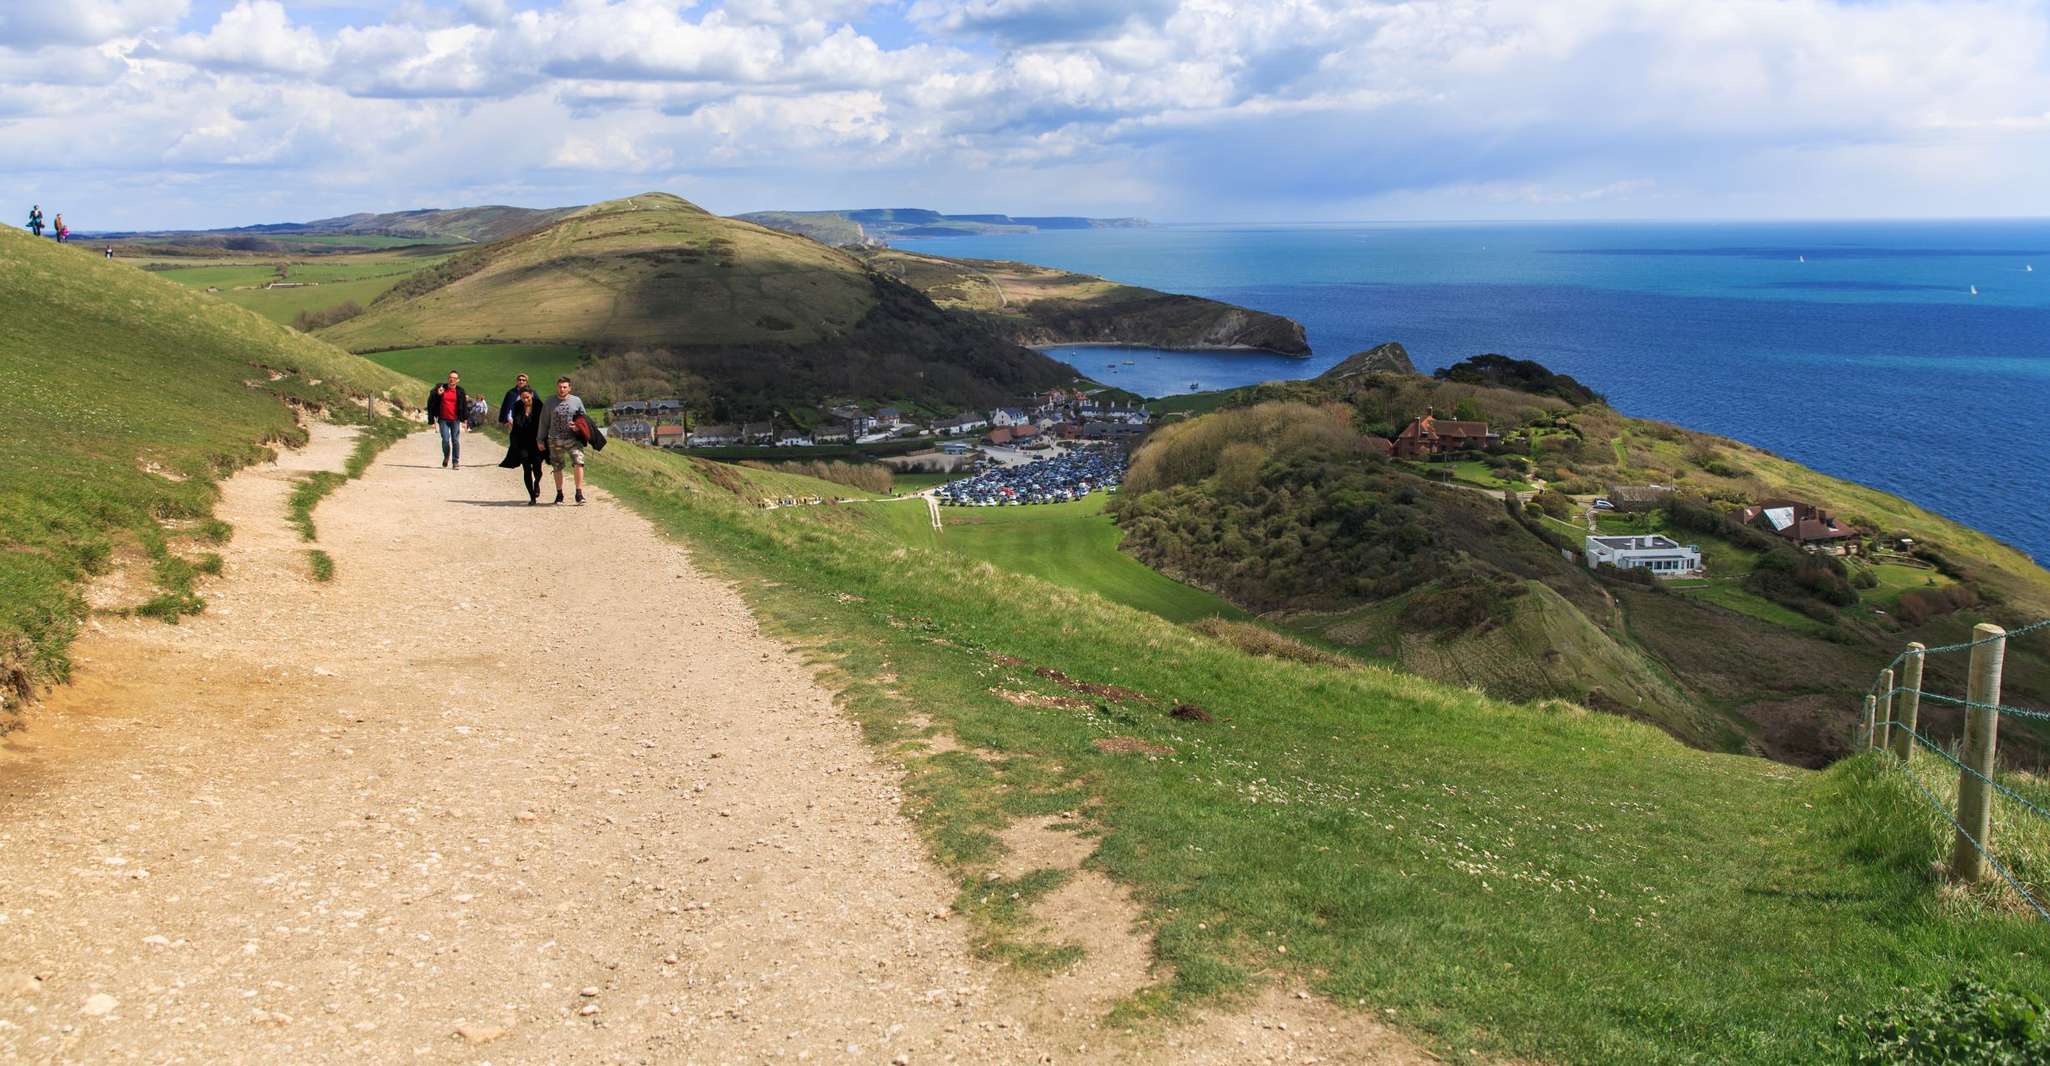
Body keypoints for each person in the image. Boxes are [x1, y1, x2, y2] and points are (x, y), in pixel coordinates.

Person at [536, 376, 589, 505]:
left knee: (579, 462)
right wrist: (540, 439)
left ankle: (579, 493)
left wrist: (578, 427)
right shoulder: (549, 402)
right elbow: (544, 422)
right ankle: (559, 494)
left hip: (573, 438)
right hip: (555, 439)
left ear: (569, 388)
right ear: (556, 387)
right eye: (560, 387)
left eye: (565, 387)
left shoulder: (576, 401)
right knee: (557, 466)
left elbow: (584, 419)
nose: (562, 389)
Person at [497, 385, 547, 504]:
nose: (525, 400)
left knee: (537, 468)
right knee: (526, 469)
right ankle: (532, 497)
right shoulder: (517, 406)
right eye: (523, 398)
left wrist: (542, 440)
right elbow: (517, 423)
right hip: (521, 441)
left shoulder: (539, 405)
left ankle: (537, 483)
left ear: (532, 395)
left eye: (528, 398)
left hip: (536, 441)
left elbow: (544, 423)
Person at [426, 370, 468, 469]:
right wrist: (438, 395)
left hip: (455, 419)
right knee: (445, 440)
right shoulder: (441, 388)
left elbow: (464, 406)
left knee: (455, 440)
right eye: (450, 377)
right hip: (443, 419)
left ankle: (455, 462)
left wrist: (465, 420)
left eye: (454, 378)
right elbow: (431, 401)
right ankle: (446, 456)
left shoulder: (460, 391)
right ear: (448, 378)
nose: (451, 379)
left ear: (457, 380)